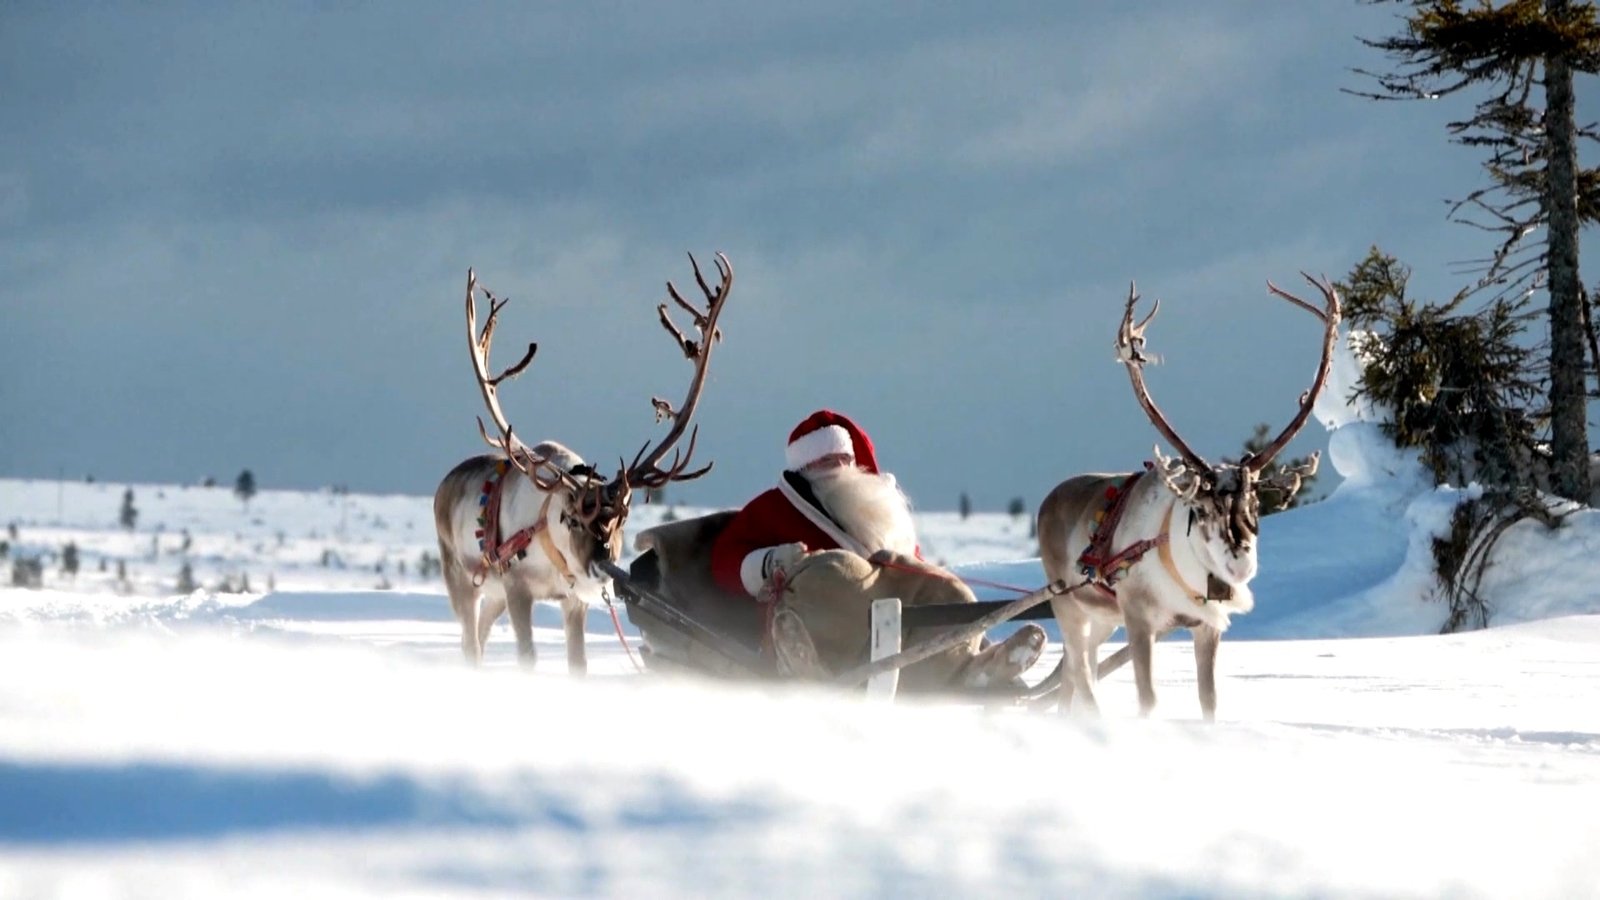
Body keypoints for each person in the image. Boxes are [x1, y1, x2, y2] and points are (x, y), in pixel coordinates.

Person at [709, 409, 1045, 691]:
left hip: (893, 608)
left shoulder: (877, 506)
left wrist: (933, 583)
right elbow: (724, 559)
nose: (840, 467)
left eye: (845, 458)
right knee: (835, 570)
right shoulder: (772, 508)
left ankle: (970, 670)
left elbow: (916, 565)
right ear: (805, 468)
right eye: (828, 460)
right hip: (824, 621)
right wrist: (768, 563)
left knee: (948, 589)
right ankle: (809, 667)